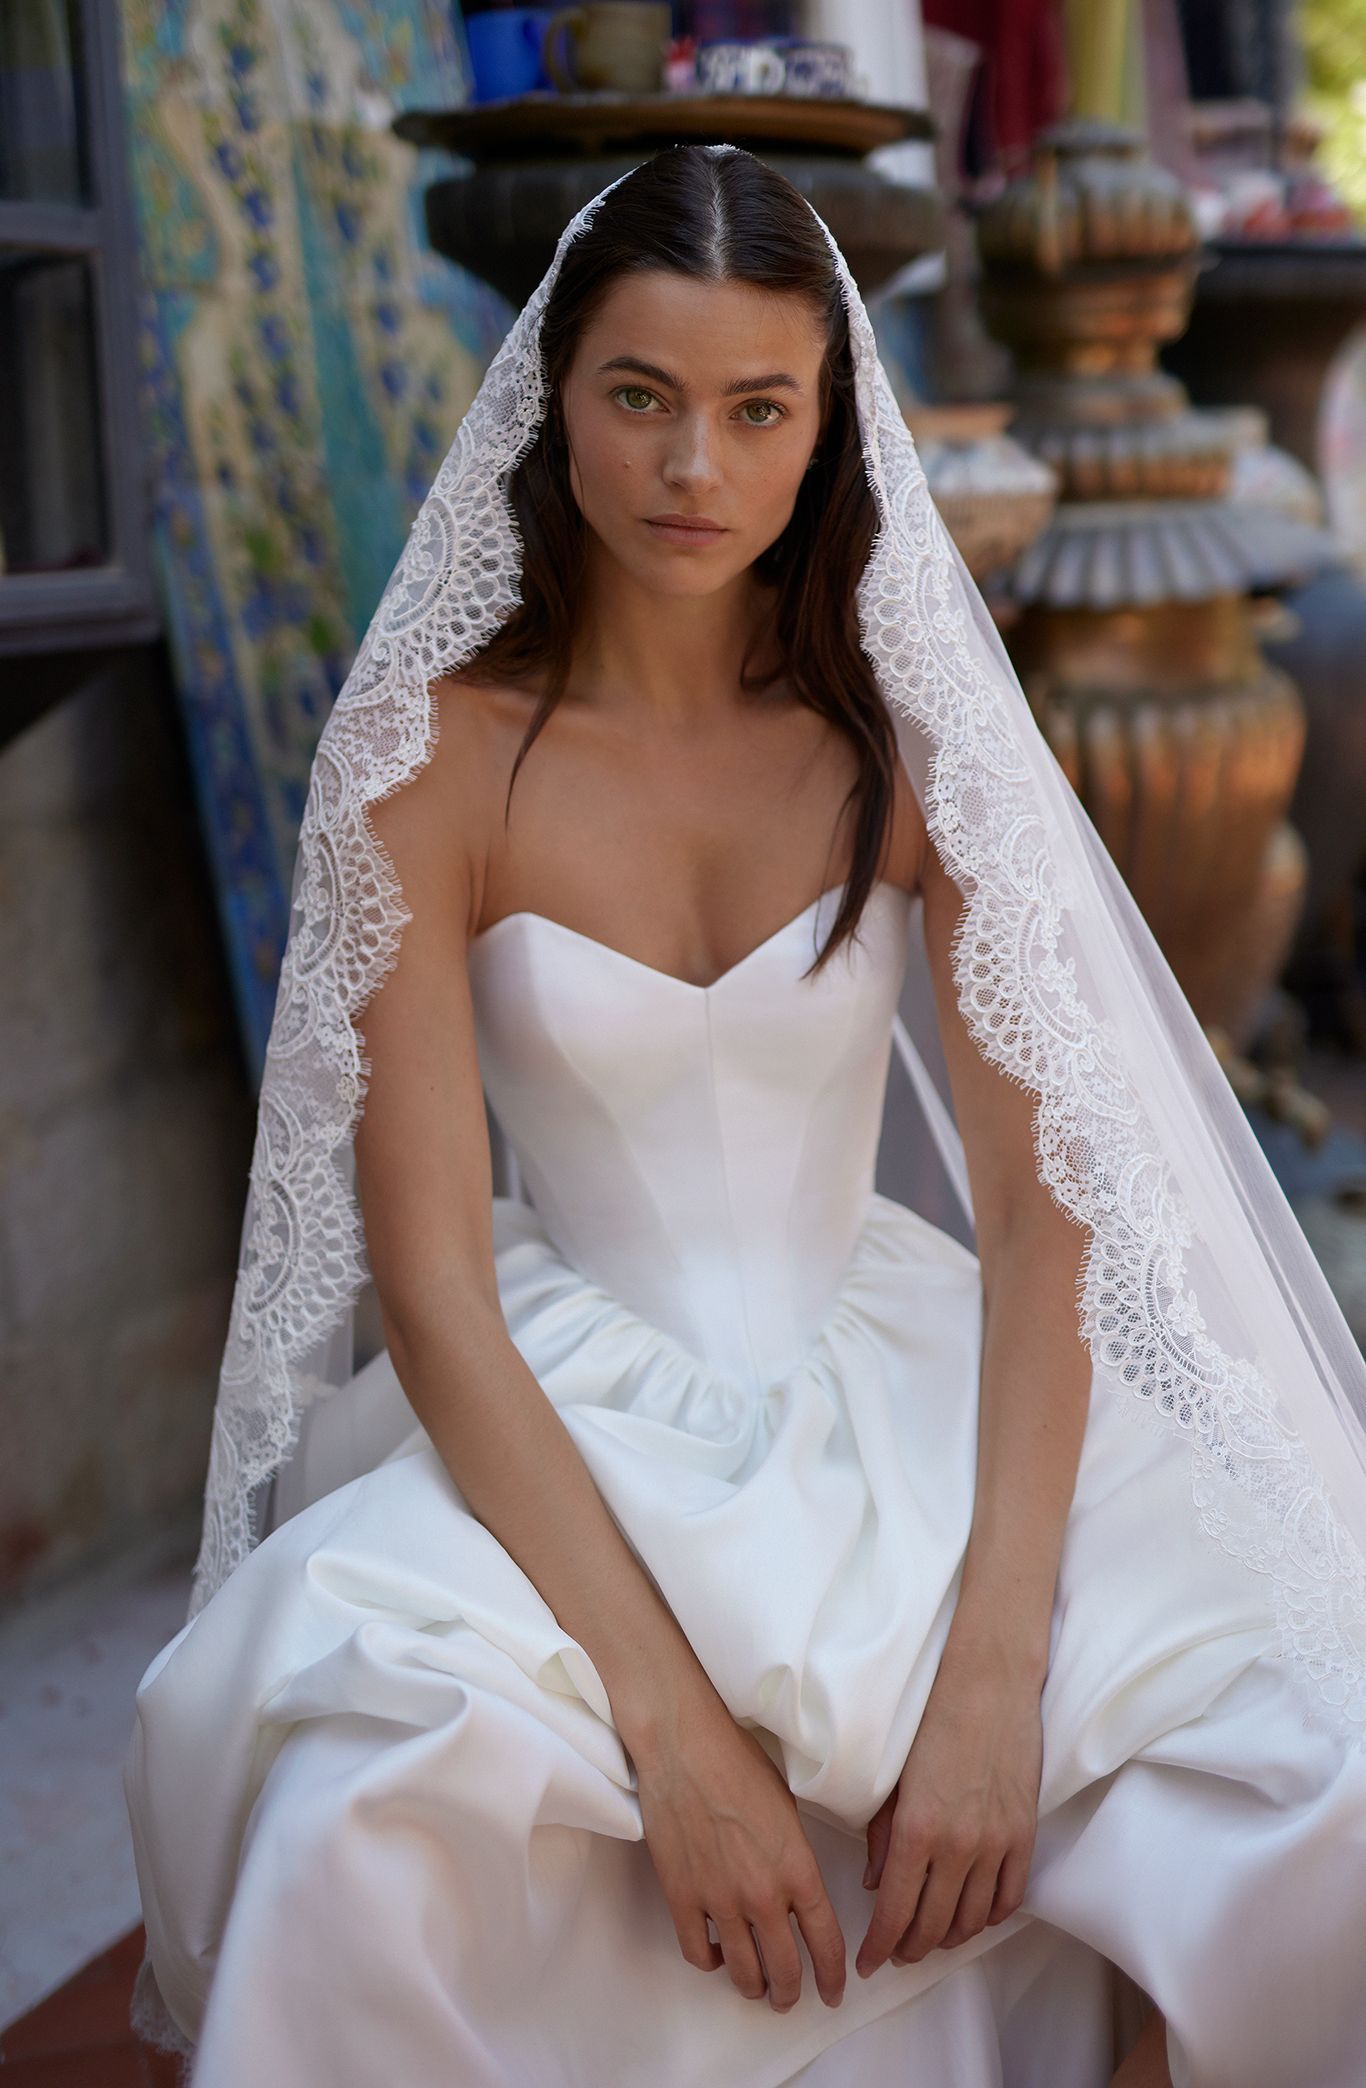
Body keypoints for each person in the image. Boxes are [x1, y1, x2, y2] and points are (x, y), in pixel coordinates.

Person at [123, 144, 1366, 2086]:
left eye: (751, 409)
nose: (690, 465)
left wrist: (992, 1669)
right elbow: (433, 1284)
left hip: (903, 1380)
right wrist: (674, 1734)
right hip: (558, 1410)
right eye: (639, 396)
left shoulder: (900, 738)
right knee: (353, 1827)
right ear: (557, 403)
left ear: (822, 433)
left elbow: (1046, 1222)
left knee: (1307, 1741)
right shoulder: (420, 767)